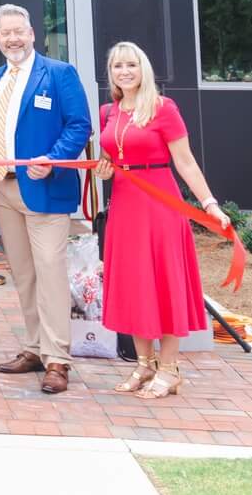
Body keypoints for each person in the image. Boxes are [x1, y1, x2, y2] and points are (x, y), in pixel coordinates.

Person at [95, 40, 227, 399]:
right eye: (118, 66)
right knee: (135, 283)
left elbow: (184, 161)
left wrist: (209, 202)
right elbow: (112, 159)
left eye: (131, 65)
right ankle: (143, 363)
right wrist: (105, 173)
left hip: (159, 202)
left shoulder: (162, 108)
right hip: (124, 203)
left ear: (144, 69)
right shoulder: (110, 111)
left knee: (164, 280)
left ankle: (169, 369)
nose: (124, 72)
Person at [0, 3, 94, 395]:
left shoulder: (59, 74)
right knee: (24, 274)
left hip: (44, 188)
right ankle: (33, 347)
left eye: (18, 31)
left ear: (32, 34)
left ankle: (58, 357)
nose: (12, 38)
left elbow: (79, 125)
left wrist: (55, 159)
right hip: (3, 186)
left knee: (49, 272)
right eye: (5, 33)